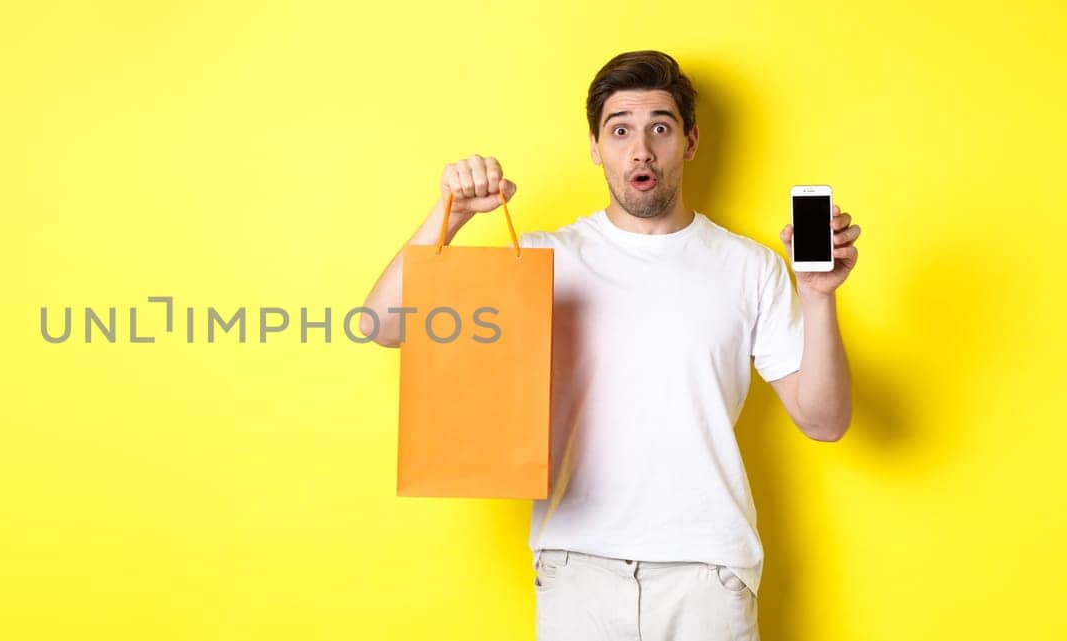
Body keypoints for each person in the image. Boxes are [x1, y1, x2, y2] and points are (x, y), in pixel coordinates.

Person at [358, 50, 861, 640]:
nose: (640, 149)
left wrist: (820, 296)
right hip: (576, 570)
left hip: (707, 575)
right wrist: (449, 217)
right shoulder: (544, 261)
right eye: (620, 130)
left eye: (660, 128)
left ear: (690, 142)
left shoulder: (750, 267)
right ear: (596, 147)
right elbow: (382, 325)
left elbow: (825, 421)